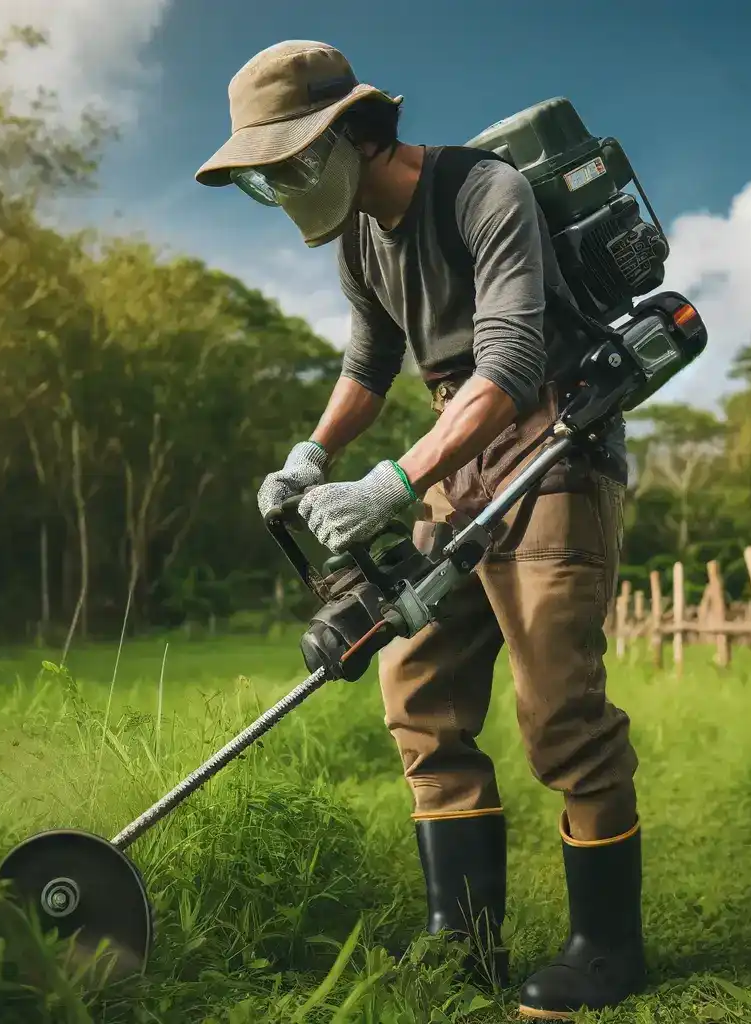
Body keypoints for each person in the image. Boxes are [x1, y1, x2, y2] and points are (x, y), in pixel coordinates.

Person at [195, 40, 645, 1020]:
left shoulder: (481, 195)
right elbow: (369, 367)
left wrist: (395, 481)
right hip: (457, 451)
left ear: (351, 134)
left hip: (554, 442)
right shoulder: (359, 233)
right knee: (419, 687)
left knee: (558, 705)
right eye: (263, 177)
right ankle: (465, 944)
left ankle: (607, 948)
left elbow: (512, 360)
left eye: (286, 165)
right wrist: (310, 456)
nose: (279, 186)